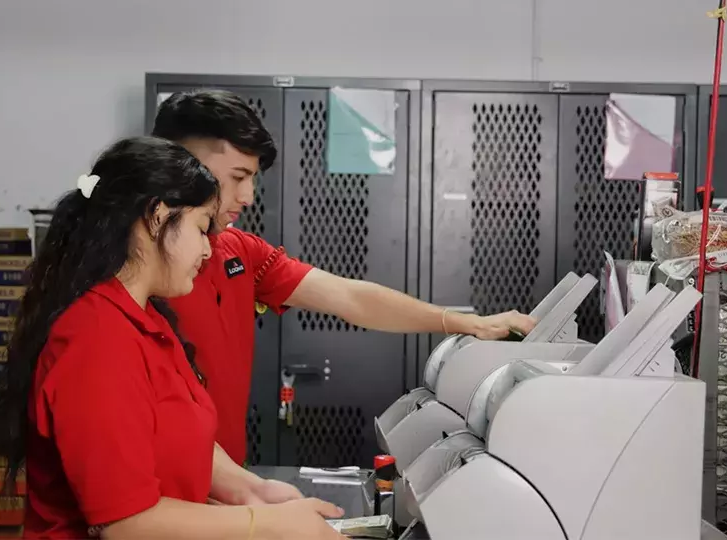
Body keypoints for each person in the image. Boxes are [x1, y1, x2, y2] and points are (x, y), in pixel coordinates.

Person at [152, 91, 539, 467]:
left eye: (253, 178)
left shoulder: (238, 251)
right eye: (237, 177)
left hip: (226, 477)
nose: (249, 195)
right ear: (180, 165)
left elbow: (349, 297)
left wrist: (466, 323)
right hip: (157, 487)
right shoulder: (131, 272)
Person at [0, 137, 345, 539]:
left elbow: (176, 437)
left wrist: (253, 491)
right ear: (157, 217)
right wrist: (265, 525)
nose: (209, 250)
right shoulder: (95, 340)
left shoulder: (149, 321)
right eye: (200, 228)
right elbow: (127, 524)